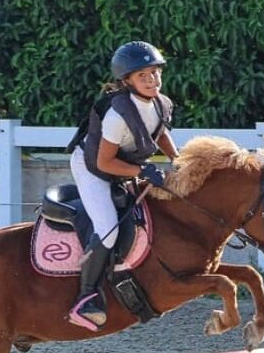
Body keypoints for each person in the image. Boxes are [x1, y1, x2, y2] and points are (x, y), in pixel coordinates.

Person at [66, 41, 180, 331]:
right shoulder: (117, 115)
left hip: (121, 164)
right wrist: (142, 169)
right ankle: (86, 295)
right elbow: (105, 163)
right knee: (108, 228)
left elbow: (159, 133)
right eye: (143, 75)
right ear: (126, 80)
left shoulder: (160, 102)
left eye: (155, 72)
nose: (152, 80)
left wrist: (177, 160)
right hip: (93, 168)